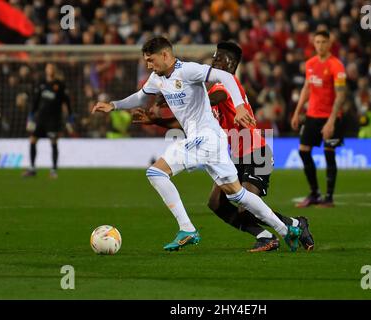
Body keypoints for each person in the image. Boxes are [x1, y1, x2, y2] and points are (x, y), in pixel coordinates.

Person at [92, 36, 308, 252]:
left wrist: (240, 106)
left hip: (213, 140)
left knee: (156, 173)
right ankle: (287, 230)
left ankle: (187, 228)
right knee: (236, 195)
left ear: (165, 55)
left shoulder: (188, 71)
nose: (148, 65)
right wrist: (114, 105)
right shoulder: (156, 78)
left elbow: (225, 78)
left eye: (151, 60)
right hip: (217, 142)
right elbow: (140, 97)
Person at [291, 30, 346, 208]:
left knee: (329, 153)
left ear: (330, 44)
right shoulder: (310, 64)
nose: (320, 45)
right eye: (317, 42)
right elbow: (307, 88)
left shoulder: (336, 66)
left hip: (330, 118)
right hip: (312, 116)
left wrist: (331, 121)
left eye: (324, 42)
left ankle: (329, 197)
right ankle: (314, 193)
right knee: (303, 151)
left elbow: (340, 96)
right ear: (313, 44)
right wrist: (297, 111)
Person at [23, 63, 74, 179]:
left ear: (54, 71)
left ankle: (53, 170)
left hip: (54, 119)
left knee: (53, 142)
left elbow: (67, 102)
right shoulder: (41, 84)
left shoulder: (60, 85)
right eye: (48, 68)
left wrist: (70, 116)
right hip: (41, 118)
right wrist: (31, 115)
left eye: (51, 68)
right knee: (32, 140)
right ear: (46, 70)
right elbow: (35, 101)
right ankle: (32, 168)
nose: (49, 70)